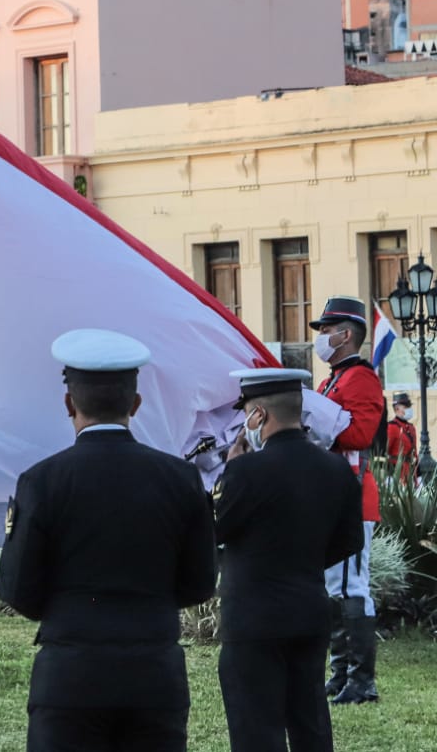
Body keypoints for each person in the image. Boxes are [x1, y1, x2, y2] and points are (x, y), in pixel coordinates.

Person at [0, 328, 217, 752]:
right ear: (135, 404)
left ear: (68, 404)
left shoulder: (42, 481)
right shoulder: (181, 478)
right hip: (154, 671)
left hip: (70, 673)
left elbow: (18, 588)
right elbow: (200, 582)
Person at [215, 368, 364, 752]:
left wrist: (229, 471)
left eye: (246, 412)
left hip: (252, 619)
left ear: (259, 415)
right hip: (308, 610)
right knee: (310, 723)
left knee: (255, 730)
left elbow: (215, 530)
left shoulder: (244, 471)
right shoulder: (336, 469)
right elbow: (349, 540)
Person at [309, 296, 385, 705]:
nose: (322, 337)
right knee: (334, 588)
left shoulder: (360, 378)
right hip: (333, 496)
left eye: (326, 329)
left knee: (351, 586)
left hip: (352, 498)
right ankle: (341, 675)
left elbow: (360, 435)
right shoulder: (333, 380)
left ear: (347, 334)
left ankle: (362, 682)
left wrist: (315, 424)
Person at [386, 392, 417, 487]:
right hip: (397, 473)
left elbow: (415, 454)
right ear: (396, 409)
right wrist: (389, 475)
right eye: (406, 406)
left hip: (410, 473)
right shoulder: (391, 427)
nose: (409, 409)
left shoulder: (411, 428)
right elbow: (386, 452)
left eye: (409, 406)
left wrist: (418, 476)